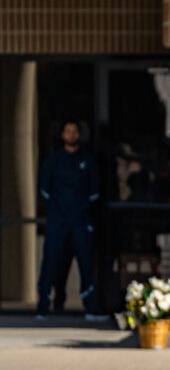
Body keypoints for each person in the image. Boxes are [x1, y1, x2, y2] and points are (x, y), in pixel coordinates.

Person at [36, 119, 103, 320]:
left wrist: (79, 210)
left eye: (74, 131)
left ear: (78, 135)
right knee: (50, 262)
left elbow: (95, 191)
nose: (71, 135)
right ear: (63, 135)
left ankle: (91, 308)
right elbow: (44, 190)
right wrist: (59, 210)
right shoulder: (53, 160)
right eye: (68, 131)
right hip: (57, 221)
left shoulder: (87, 161)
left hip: (80, 221)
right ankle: (43, 306)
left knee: (86, 263)